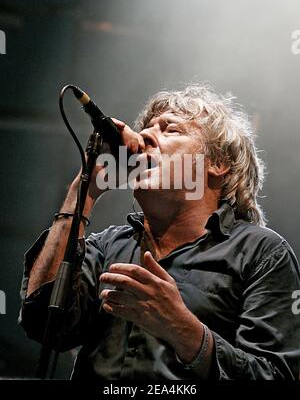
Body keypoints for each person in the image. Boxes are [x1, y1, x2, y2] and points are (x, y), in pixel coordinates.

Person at [19, 84, 300, 380]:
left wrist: (184, 330)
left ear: (218, 164)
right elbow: (42, 324)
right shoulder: (106, 245)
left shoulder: (262, 254)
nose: (145, 138)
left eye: (171, 130)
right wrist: (83, 190)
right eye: (147, 129)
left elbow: (277, 376)